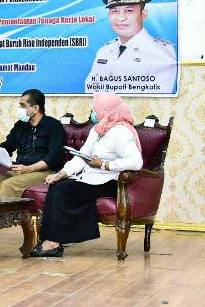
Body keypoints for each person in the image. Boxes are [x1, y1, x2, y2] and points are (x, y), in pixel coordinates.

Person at [30, 92, 143, 258]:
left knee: (62, 191)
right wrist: (61, 174)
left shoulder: (121, 132)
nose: (93, 113)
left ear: (107, 111)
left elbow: (136, 162)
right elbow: (82, 157)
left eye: (96, 109)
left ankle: (53, 242)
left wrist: (104, 164)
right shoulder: (97, 130)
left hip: (110, 181)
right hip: (91, 178)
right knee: (57, 185)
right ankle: (52, 239)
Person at [85, 0, 177, 94]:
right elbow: (90, 91)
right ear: (109, 15)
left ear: (143, 14)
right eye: (115, 11)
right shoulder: (104, 51)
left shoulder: (162, 52)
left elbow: (158, 99)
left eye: (129, 11)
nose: (121, 18)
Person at [0, 89, 66, 198]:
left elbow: (54, 157)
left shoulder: (54, 126)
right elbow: (7, 146)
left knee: (8, 185)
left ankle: (2, 210)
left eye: (23, 105)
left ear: (35, 108)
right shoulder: (20, 125)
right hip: (20, 172)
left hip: (44, 173)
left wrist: (29, 169)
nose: (20, 109)